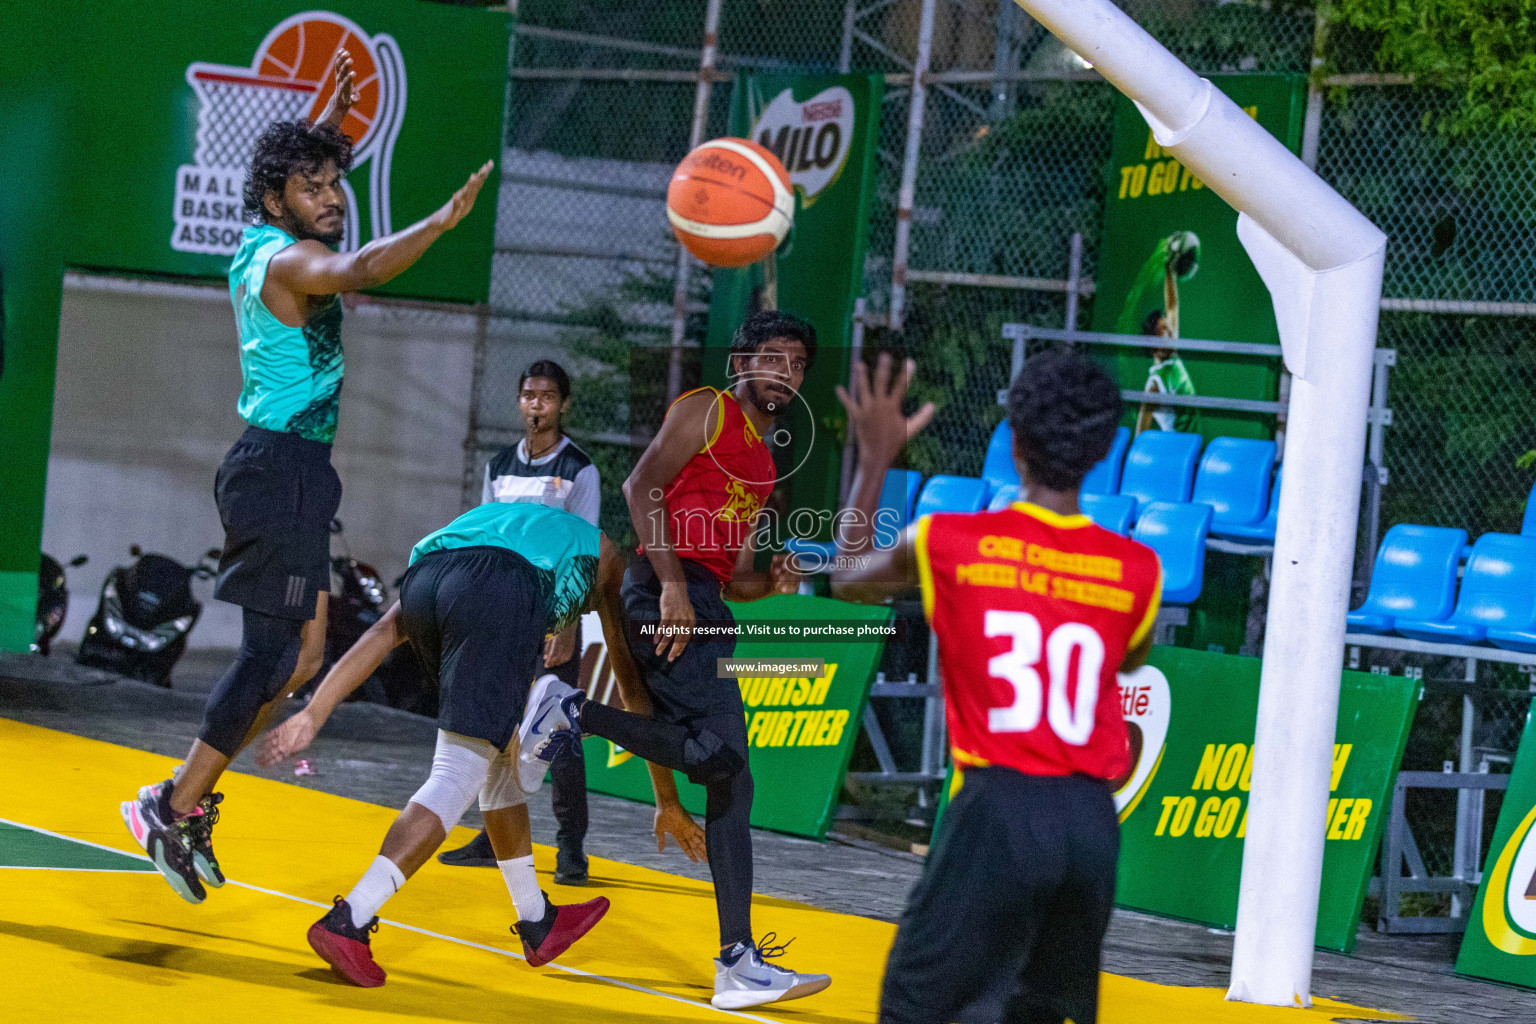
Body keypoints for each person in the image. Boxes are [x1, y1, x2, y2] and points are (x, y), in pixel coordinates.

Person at [120, 49, 495, 905]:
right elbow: (359, 270)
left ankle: (184, 796)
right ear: (276, 200)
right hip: (278, 466)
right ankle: (171, 808)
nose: (332, 197)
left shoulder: (260, 233)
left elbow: (284, 171)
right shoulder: (290, 263)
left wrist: (325, 113)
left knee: (307, 656)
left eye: (336, 183)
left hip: (293, 471)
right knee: (267, 659)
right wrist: (438, 222)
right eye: (315, 186)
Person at [831, 349, 1162, 1024]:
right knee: (1040, 1013)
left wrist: (874, 461)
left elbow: (847, 579)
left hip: (999, 810)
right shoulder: (1137, 569)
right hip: (1092, 824)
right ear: (1102, 452)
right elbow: (1126, 661)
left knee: (915, 1007)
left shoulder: (949, 541)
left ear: (1013, 445)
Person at [253, 501, 707, 986]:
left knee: (496, 759)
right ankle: (350, 921)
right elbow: (630, 686)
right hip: (499, 588)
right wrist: (667, 800)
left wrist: (314, 711)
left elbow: (387, 630)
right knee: (456, 774)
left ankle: (537, 921)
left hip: (428, 578)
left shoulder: (525, 527)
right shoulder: (610, 562)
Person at [517, 310, 830, 1010]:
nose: (786, 373)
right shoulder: (707, 410)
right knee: (721, 760)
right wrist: (673, 586)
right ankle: (571, 711)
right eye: (773, 358)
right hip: (667, 590)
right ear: (741, 362)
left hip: (704, 598)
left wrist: (769, 581)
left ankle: (736, 962)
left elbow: (736, 574)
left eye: (799, 364)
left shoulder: (765, 457)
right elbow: (640, 488)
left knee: (729, 778)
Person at [439, 360, 601, 882]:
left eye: (547, 397)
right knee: (498, 725)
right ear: (519, 402)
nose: (537, 405)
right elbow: (485, 536)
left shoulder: (579, 469)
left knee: (559, 731)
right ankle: (494, 835)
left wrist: (567, 623)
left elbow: (584, 549)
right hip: (502, 610)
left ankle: (571, 846)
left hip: (553, 611)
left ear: (563, 405)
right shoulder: (498, 465)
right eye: (529, 396)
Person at [1136, 308, 1198, 434]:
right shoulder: (1154, 385)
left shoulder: (1173, 356)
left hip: (1194, 445)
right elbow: (1140, 434)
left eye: (1169, 326)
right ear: (1153, 341)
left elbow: (1172, 306)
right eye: (1164, 329)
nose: (1170, 331)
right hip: (1177, 448)